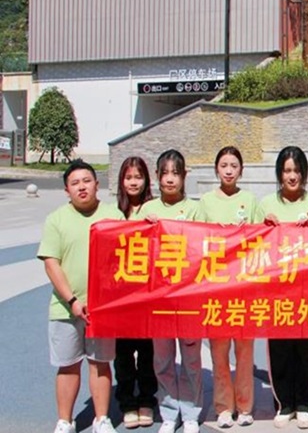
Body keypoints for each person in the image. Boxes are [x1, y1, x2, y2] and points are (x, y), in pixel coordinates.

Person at [38, 160, 124, 433]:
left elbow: (126, 256)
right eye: (75, 183)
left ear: (97, 184)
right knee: (67, 365)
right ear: (67, 190)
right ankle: (65, 421)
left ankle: (101, 419)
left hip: (102, 309)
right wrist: (73, 301)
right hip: (65, 308)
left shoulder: (113, 216)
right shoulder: (56, 220)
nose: (82, 187)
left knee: (100, 364)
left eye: (87, 181)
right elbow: (51, 263)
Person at [259, 146, 308, 430]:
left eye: (297, 170)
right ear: (279, 174)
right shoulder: (265, 204)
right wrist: (265, 227)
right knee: (280, 349)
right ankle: (284, 403)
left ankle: (306, 404)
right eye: (287, 171)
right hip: (277, 291)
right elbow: (253, 245)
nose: (292, 176)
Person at [141, 149, 202, 433]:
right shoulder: (146, 210)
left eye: (175, 173)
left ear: (184, 176)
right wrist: (145, 229)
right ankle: (168, 412)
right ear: (156, 176)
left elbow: (204, 249)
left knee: (191, 359)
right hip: (159, 300)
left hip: (188, 298)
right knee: (162, 359)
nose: (169, 179)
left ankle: (190, 412)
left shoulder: (195, 209)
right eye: (164, 173)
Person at [198, 147, 259, 428]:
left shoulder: (250, 200)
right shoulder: (206, 202)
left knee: (245, 352)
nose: (229, 170)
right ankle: (223, 407)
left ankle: (245, 406)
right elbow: (196, 240)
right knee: (219, 351)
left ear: (241, 170)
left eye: (234, 165)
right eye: (224, 165)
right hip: (216, 288)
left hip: (243, 287)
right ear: (216, 169)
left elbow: (261, 239)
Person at [114, 156, 157, 429]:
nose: (133, 182)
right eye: (128, 177)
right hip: (120, 296)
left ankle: (147, 400)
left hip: (149, 294)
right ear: (121, 181)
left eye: (138, 177)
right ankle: (127, 401)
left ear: (146, 180)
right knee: (123, 352)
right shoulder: (112, 211)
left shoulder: (154, 209)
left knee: (148, 350)